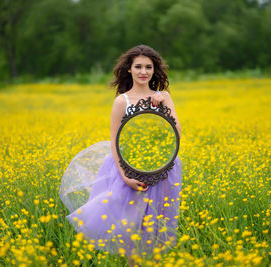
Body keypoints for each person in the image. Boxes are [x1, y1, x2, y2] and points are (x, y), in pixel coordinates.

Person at [63, 44, 182, 266]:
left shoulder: (163, 96)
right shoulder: (122, 101)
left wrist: (165, 105)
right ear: (129, 69)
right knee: (131, 225)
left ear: (155, 70)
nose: (143, 71)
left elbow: (177, 134)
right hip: (129, 171)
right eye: (138, 66)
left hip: (161, 168)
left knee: (156, 224)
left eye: (149, 67)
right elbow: (115, 142)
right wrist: (125, 176)